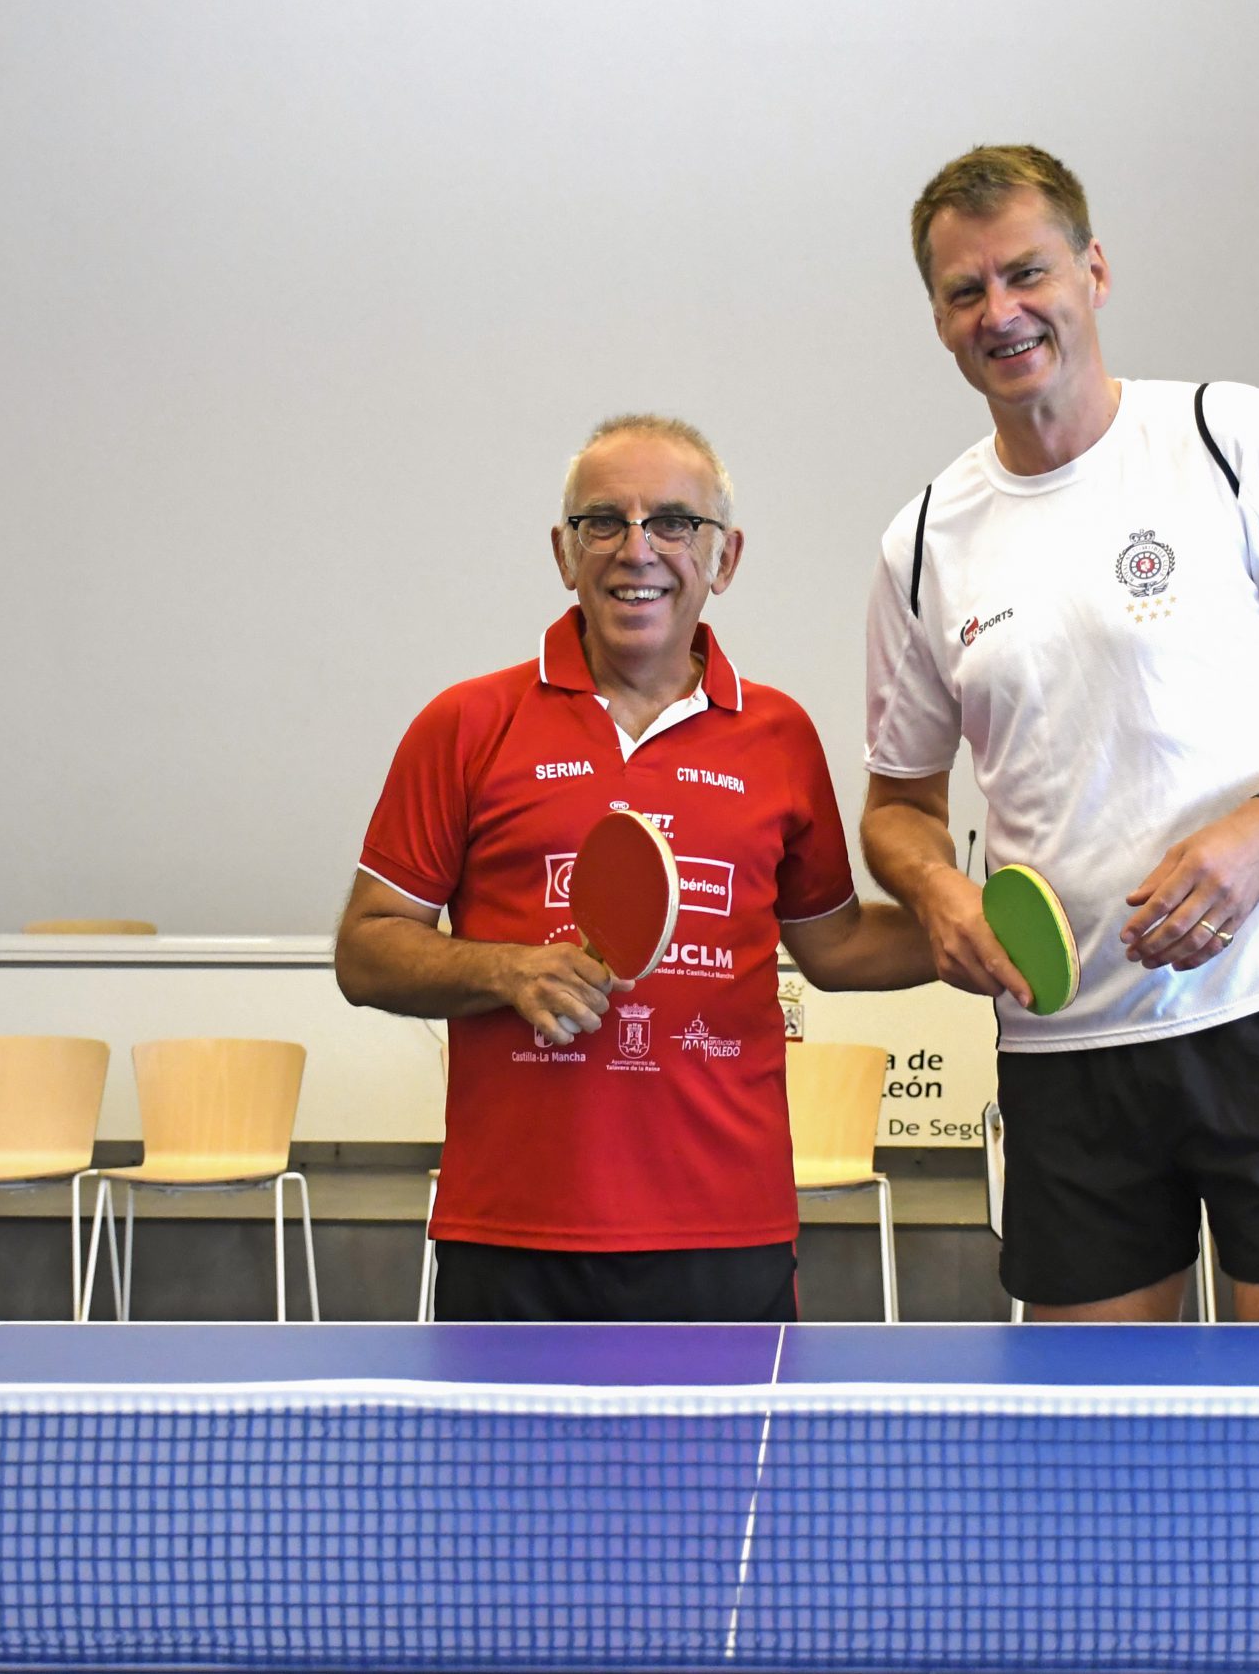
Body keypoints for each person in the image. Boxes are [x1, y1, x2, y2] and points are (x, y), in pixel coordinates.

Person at [861, 145, 1259, 1324]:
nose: (1001, 312)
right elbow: (897, 808)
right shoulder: (920, 541)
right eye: (966, 292)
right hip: (1062, 1051)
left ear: (1094, 270)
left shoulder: (1225, 437)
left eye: (1027, 273)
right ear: (937, 318)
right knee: (1097, 1455)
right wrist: (933, 892)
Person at [336, 414, 933, 1322]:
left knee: (728, 1475)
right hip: (514, 1235)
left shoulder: (780, 737)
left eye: (674, 523)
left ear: (724, 558)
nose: (637, 549)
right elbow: (366, 950)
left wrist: (975, 936)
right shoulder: (464, 725)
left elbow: (839, 945)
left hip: (727, 1232)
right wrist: (505, 967)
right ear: (563, 553)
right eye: (603, 521)